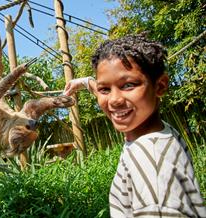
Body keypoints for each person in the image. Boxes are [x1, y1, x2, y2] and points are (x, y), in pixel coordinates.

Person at [64, 34, 206, 217]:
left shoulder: (151, 164)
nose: (114, 100)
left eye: (129, 85)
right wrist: (85, 83)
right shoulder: (159, 130)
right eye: (105, 89)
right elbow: (109, 91)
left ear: (160, 86)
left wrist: (98, 86)